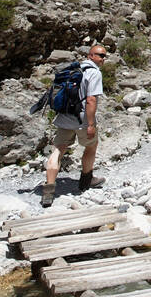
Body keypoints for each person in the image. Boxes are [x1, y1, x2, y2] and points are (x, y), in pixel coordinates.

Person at [40, 43, 108, 207]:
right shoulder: (94, 73)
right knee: (91, 146)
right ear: (90, 56)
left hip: (64, 116)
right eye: (100, 55)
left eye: (104, 55)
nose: (103, 58)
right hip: (82, 119)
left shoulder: (72, 70)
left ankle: (48, 190)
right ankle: (86, 180)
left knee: (58, 149)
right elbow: (91, 99)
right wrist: (90, 124)